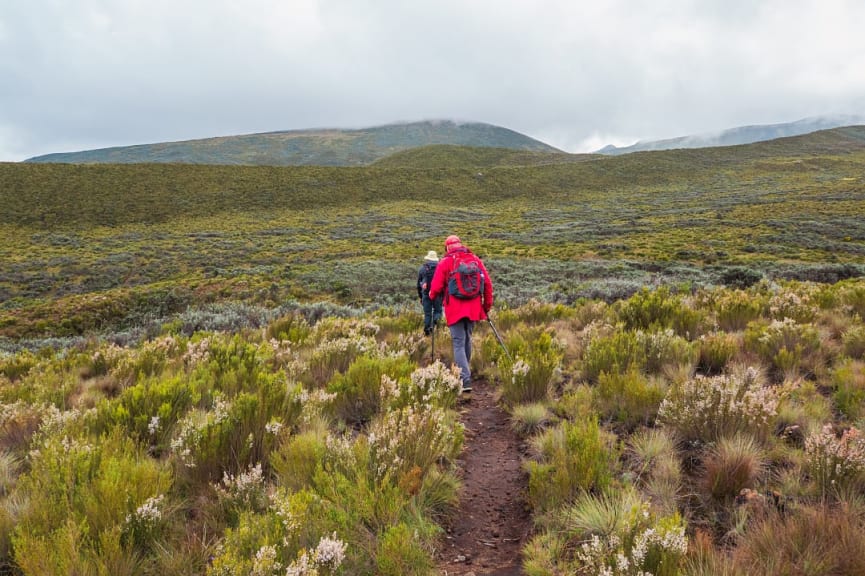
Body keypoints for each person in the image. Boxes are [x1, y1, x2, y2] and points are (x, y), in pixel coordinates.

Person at [428, 235, 493, 393]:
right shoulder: (474, 259)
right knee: (467, 339)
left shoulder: (446, 262)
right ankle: (466, 372)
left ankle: (465, 380)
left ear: (447, 248)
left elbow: (436, 287)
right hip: (474, 308)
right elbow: (488, 284)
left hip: (455, 308)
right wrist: (486, 307)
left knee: (458, 342)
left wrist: (430, 296)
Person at [417, 250, 443, 336]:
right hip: (437, 294)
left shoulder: (422, 269)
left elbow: (418, 285)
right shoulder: (440, 268)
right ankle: (435, 325)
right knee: (438, 311)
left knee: (427, 313)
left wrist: (420, 297)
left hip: (425, 294)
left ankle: (427, 330)